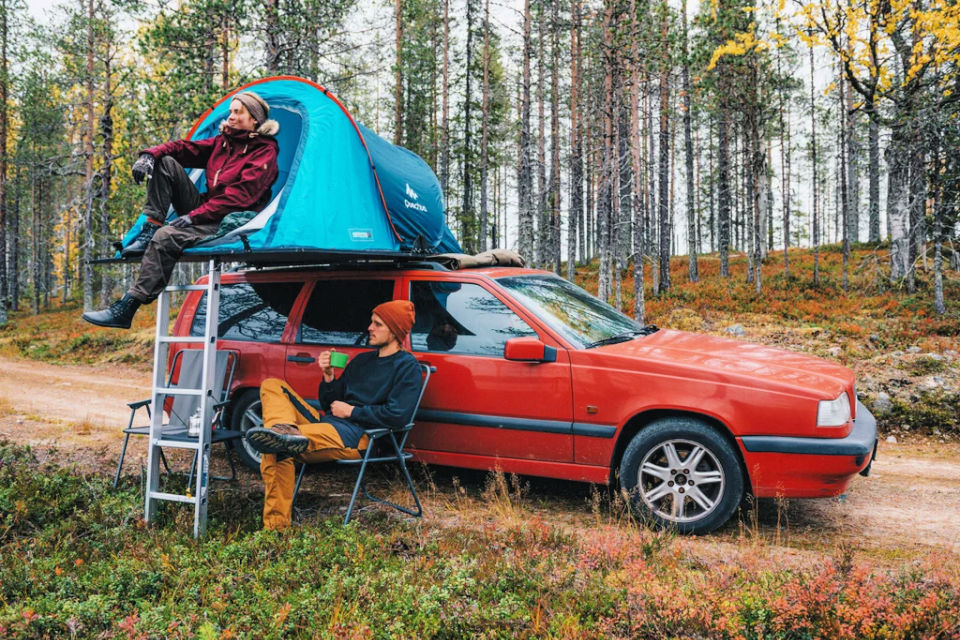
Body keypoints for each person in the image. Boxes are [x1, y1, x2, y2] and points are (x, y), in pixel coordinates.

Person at [82, 91, 280, 329]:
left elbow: (239, 198)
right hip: (205, 209)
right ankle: (150, 228)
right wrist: (149, 155)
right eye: (231, 111)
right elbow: (183, 148)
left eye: (238, 112)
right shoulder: (222, 143)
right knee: (165, 163)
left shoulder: (264, 152)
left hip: (230, 220)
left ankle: (127, 308)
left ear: (254, 120)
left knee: (166, 236)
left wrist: (193, 216)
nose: (231, 117)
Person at [244, 300, 421, 531]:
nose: (369, 327)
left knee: (276, 448)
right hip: (329, 423)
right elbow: (330, 404)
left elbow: (398, 415)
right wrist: (328, 377)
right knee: (272, 385)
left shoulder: (407, 366)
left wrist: (353, 411)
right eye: (371, 322)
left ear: (395, 331)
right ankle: (283, 430)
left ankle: (276, 529)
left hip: (359, 434)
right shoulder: (362, 361)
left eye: (377, 324)